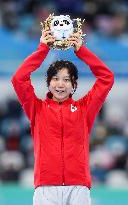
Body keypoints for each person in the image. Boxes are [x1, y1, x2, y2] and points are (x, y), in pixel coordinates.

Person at [11, 29, 114, 205]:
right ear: (48, 83)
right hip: (46, 188)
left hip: (78, 187)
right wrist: (43, 49)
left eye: (66, 80)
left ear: (74, 84)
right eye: (56, 79)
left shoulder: (84, 108)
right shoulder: (36, 108)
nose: (60, 84)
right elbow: (19, 79)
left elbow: (106, 78)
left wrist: (82, 51)